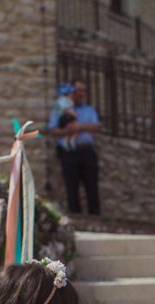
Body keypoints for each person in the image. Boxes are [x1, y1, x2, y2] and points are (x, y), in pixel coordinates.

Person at [48, 79, 101, 215]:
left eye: (84, 90)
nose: (81, 93)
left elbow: (95, 126)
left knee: (91, 184)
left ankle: (95, 215)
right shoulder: (59, 110)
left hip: (86, 150)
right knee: (71, 185)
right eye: (79, 90)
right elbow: (53, 130)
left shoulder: (89, 110)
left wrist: (79, 127)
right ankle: (75, 216)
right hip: (69, 152)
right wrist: (68, 131)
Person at [53, 82, 78, 151]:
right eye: (71, 93)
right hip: (65, 118)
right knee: (70, 129)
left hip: (69, 117)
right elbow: (65, 109)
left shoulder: (69, 101)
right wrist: (73, 113)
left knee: (73, 130)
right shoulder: (62, 101)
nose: (72, 95)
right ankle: (67, 142)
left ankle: (71, 141)